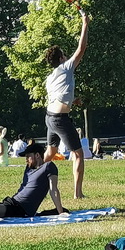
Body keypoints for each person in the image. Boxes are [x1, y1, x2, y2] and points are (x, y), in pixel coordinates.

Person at [43, 12, 89, 199]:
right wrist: (85, 23)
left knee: (50, 153)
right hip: (60, 120)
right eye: (64, 54)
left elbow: (58, 96)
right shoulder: (66, 67)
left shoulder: (50, 78)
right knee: (78, 154)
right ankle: (78, 194)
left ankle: (31, 179)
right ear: (61, 58)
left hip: (49, 118)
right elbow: (82, 47)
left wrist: (73, 100)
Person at [0, 143, 68, 218]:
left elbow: (53, 189)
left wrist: (60, 212)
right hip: (12, 202)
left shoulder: (48, 167)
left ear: (37, 155)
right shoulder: (28, 168)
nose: (26, 160)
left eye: (28, 157)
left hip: (21, 209)